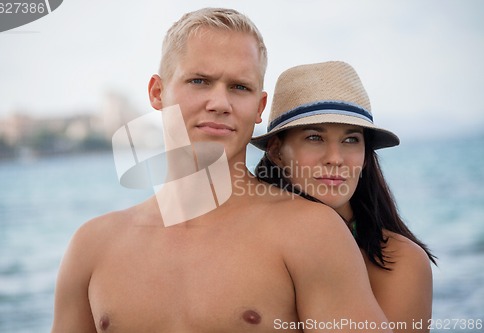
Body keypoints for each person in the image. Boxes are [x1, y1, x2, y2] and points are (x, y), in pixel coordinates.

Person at [51, 9, 393, 332]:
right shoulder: (92, 247)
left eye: (239, 87)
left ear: (259, 107)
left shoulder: (311, 234)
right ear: (157, 92)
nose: (219, 103)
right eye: (199, 81)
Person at [252, 61, 436, 332]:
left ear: (365, 157)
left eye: (351, 140)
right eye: (315, 137)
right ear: (277, 151)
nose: (336, 159)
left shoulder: (401, 261)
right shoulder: (248, 242)